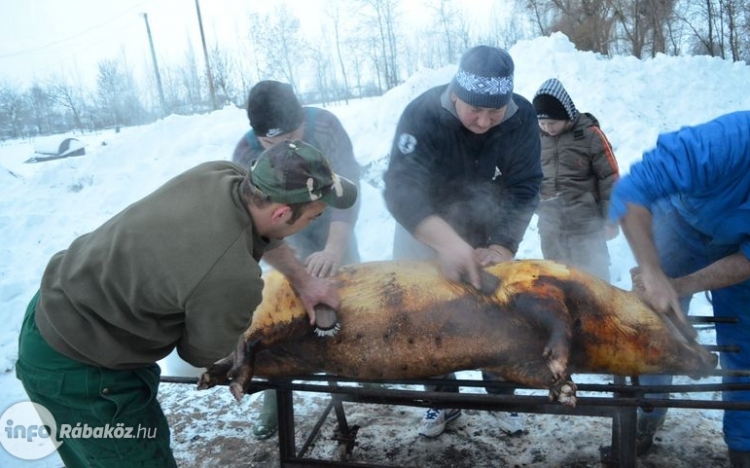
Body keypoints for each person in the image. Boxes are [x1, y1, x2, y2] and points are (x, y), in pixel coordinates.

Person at [15, 139, 358, 467]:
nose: (314, 222)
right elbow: (198, 355)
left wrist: (304, 281)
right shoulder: (232, 278)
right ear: (282, 213)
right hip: (82, 370)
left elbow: (262, 236)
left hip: (57, 304)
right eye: (314, 216)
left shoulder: (221, 175)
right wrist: (228, 321)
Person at [382, 45, 542, 438]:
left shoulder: (521, 119)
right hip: (424, 227)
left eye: (495, 112)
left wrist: (503, 245)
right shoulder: (423, 114)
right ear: (456, 92)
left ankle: (500, 396)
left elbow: (524, 188)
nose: (484, 121)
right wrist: (446, 243)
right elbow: (401, 190)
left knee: (496, 308)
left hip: (485, 226)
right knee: (426, 313)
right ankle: (442, 399)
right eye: (475, 110)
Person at [609, 111, 750, 466]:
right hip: (681, 224)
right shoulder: (728, 140)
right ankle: (648, 416)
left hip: (738, 249)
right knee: (659, 333)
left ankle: (743, 443)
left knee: (747, 348)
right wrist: (655, 273)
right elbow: (631, 191)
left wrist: (685, 284)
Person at [232, 80, 362, 439]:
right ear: (258, 139)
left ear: (303, 120)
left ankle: (354, 378)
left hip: (332, 224)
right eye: (272, 143)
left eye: (293, 135)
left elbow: (348, 188)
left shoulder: (327, 127)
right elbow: (256, 223)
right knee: (280, 313)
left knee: (348, 302)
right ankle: (274, 397)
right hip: (283, 235)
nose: (285, 147)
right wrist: (292, 258)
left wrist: (334, 249)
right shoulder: (245, 153)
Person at [532, 78, 620, 281]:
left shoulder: (590, 136)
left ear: (567, 115)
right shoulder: (535, 138)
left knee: (592, 278)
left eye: (552, 123)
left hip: (585, 223)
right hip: (550, 225)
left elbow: (610, 178)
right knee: (557, 278)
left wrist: (611, 218)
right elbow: (527, 175)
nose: (547, 128)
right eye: (542, 123)